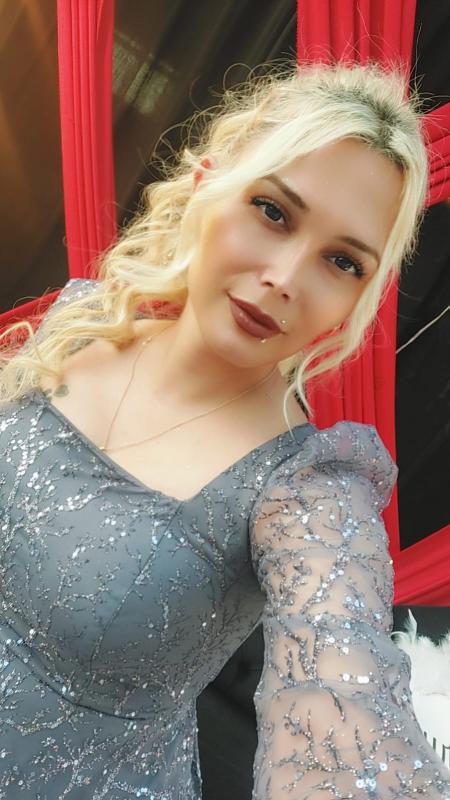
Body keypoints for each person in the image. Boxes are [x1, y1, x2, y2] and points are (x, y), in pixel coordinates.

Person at [0, 60, 448, 799]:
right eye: (273, 211)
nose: (285, 278)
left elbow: (346, 711)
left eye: (342, 261)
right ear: (210, 183)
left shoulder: (308, 493)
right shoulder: (82, 321)